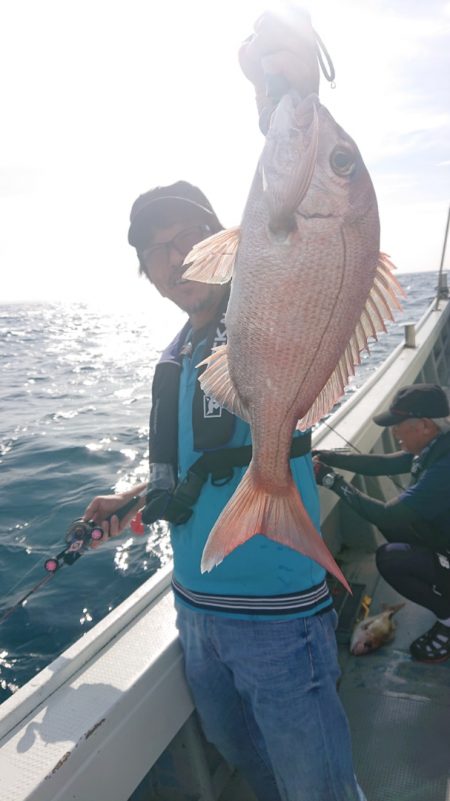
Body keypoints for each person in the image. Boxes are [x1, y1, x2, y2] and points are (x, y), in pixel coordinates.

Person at [84, 10, 366, 801]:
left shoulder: (263, 301)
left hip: (279, 615)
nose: (175, 258)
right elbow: (209, 467)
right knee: (257, 772)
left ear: (226, 239)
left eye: (189, 238)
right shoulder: (177, 358)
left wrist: (285, 90)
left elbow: (304, 210)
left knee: (320, 789)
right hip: (196, 615)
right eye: (156, 250)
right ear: (145, 273)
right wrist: (135, 501)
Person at [313, 383, 450, 664]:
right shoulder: (438, 443)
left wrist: (331, 480)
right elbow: (384, 464)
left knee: (390, 559)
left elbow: (386, 515)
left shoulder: (444, 468)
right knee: (396, 530)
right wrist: (329, 457)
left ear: (424, 425)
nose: (394, 431)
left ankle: (447, 618)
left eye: (399, 425)